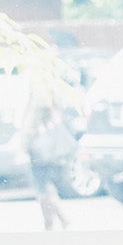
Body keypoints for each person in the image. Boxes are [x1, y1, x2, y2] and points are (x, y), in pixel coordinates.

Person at [22, 81, 77, 230]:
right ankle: (51, 222)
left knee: (42, 184)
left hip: (40, 145)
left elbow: (39, 111)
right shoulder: (51, 84)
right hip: (47, 145)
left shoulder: (41, 84)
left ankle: (59, 218)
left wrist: (26, 142)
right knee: (44, 184)